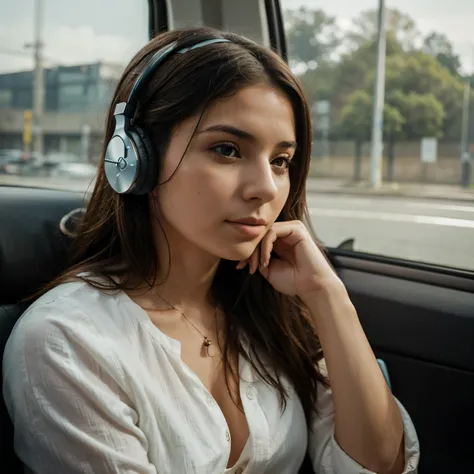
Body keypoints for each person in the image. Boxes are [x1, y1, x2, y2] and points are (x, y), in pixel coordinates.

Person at [2, 27, 419, 474]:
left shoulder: (269, 309)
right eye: (227, 149)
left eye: (281, 161)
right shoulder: (69, 341)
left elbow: (380, 464)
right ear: (134, 159)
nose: (265, 188)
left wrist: (327, 297)